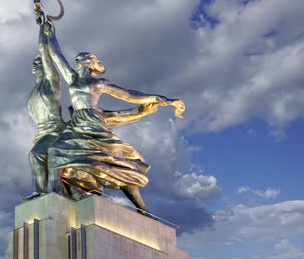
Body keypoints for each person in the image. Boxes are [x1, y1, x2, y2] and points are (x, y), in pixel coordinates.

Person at [42, 20, 185, 215]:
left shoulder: (99, 83)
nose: (78, 60)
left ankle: (142, 208)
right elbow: (57, 58)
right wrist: (50, 34)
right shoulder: (72, 79)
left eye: (83, 58)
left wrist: (160, 99)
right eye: (77, 59)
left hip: (94, 122)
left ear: (91, 63)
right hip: (77, 124)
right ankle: (57, 195)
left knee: (114, 161)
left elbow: (128, 95)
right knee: (57, 151)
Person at [25, 18, 66, 199]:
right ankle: (43, 193)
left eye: (39, 62)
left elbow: (44, 52)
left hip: (55, 132)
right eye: (34, 63)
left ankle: (40, 193)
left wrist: (43, 30)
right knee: (36, 155)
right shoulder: (34, 92)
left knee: (35, 155)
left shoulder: (51, 82)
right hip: (41, 135)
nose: (36, 64)